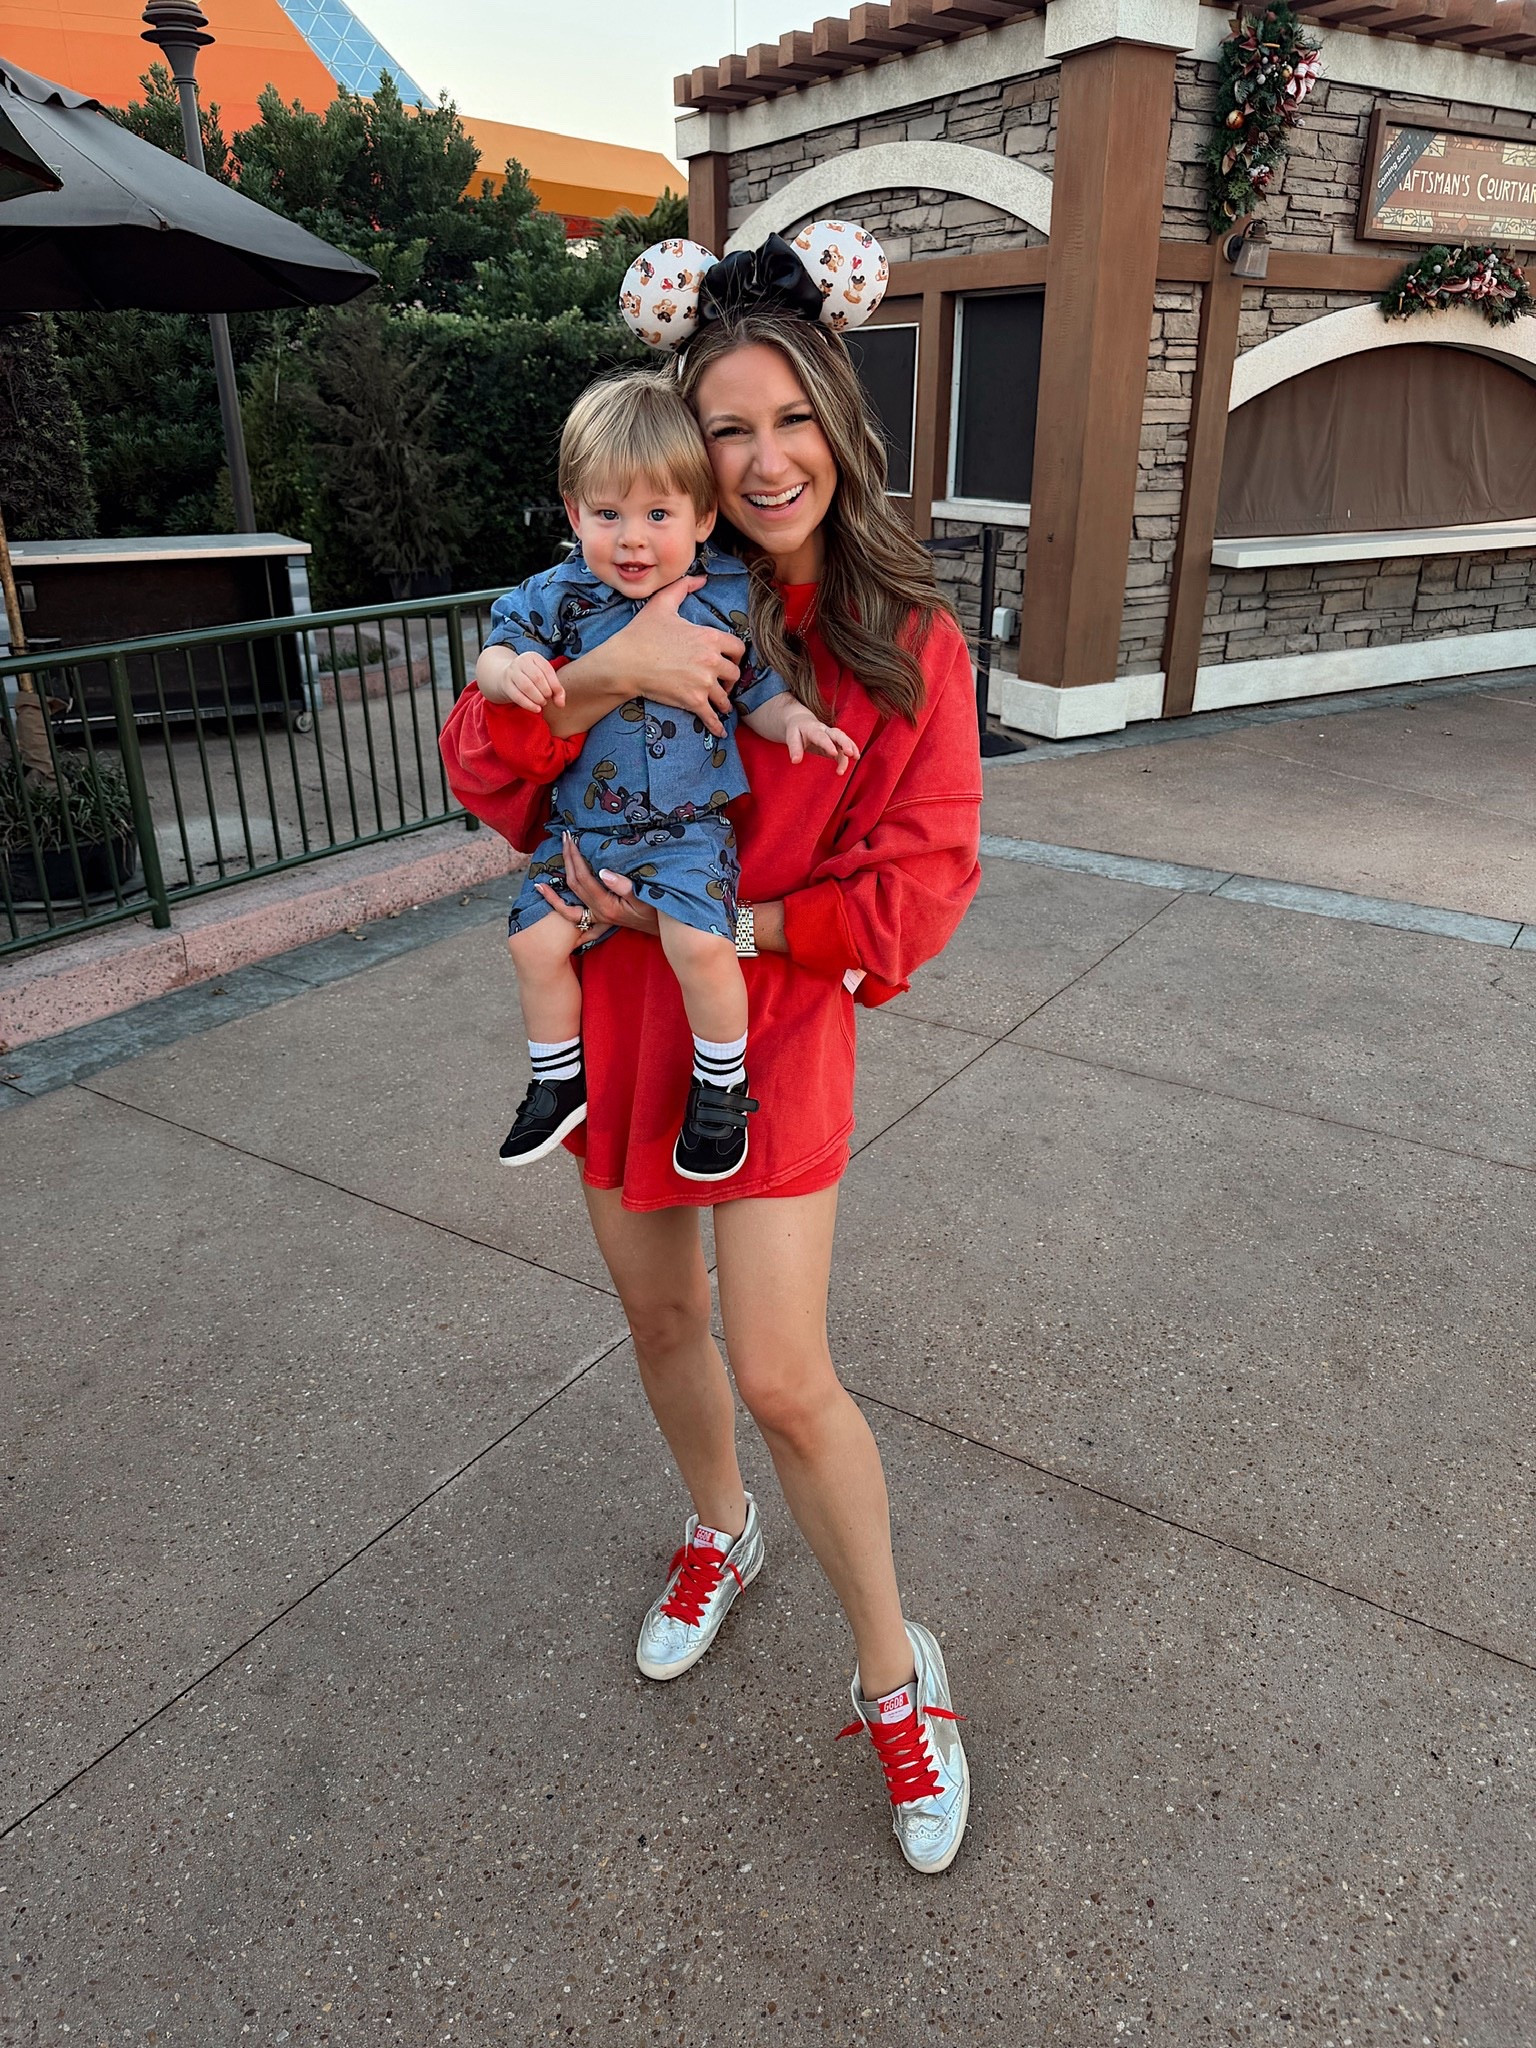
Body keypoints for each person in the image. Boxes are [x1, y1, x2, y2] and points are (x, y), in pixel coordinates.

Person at [441, 223, 983, 1874]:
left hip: (770, 1025)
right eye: (726, 426)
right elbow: (486, 772)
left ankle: (896, 1673)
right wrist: (603, 675)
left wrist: (735, 924)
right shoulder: (628, 590)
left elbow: (918, 887)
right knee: (659, 1311)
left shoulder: (904, 641)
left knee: (783, 1373)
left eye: (791, 419)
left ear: (842, 423)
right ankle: (720, 1528)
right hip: (618, 1018)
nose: (762, 460)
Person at [482, 371, 858, 1181]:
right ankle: (557, 1079)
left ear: (702, 517)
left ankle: (721, 1087)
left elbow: (759, 690)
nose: (632, 541)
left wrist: (797, 722)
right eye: (608, 515)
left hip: (687, 832)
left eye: (658, 515)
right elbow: (496, 653)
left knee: (702, 942)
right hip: (583, 833)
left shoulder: (723, 595)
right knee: (532, 940)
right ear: (574, 511)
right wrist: (509, 673)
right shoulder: (557, 597)